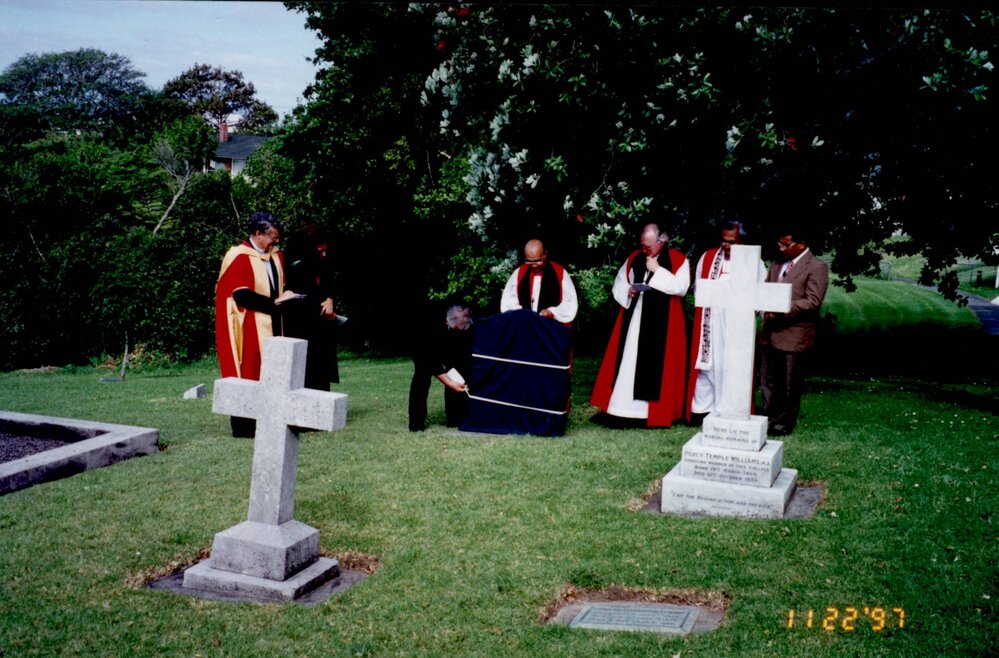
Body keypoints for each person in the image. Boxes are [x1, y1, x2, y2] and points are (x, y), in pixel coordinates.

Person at [591, 223, 690, 427]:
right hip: (635, 319)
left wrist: (658, 270)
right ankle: (622, 409)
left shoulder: (679, 260)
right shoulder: (635, 257)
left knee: (654, 364)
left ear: (662, 242)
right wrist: (628, 290)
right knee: (628, 360)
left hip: (662, 325)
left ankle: (647, 414)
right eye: (643, 245)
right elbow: (620, 281)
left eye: (649, 246)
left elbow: (681, 288)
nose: (645, 250)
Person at [215, 212, 299, 437]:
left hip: (274, 323)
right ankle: (245, 428)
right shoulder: (238, 256)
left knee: (273, 373)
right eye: (273, 236)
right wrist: (274, 303)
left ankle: (270, 420)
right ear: (258, 233)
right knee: (249, 372)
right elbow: (241, 295)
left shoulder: (276, 256)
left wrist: (286, 297)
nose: (276, 240)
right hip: (248, 326)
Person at [686, 220, 766, 420]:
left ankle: (729, 408)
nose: (726, 245)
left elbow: (761, 295)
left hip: (737, 324)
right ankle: (704, 408)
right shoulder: (708, 257)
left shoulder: (753, 262)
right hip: (712, 322)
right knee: (710, 364)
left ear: (742, 242)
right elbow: (699, 289)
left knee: (732, 365)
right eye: (723, 241)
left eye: (732, 242)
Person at [760, 231, 829, 436]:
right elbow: (766, 289)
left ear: (801, 244)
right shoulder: (776, 264)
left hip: (794, 335)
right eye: (779, 244)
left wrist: (782, 307)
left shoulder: (817, 267)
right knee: (768, 381)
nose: (781, 248)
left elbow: (813, 301)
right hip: (769, 332)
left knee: (789, 383)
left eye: (786, 245)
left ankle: (783, 424)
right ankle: (768, 419)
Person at [283, 224, 340, 391]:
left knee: (322, 370)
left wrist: (329, 300)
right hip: (303, 327)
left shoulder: (323, 263)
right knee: (307, 369)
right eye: (320, 251)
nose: (324, 254)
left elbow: (329, 285)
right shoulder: (295, 268)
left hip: (321, 327)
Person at [408, 303, 474, 432]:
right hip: (422, 346)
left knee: (459, 367)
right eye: (456, 329)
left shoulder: (463, 324)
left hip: (449, 343)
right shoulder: (425, 325)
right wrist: (449, 382)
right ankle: (416, 421)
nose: (459, 332)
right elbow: (429, 361)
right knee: (422, 375)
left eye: (462, 330)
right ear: (446, 321)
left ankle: (455, 417)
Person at [499, 239, 578, 324]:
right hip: (525, 326)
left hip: (550, 327)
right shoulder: (519, 273)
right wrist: (523, 313)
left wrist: (551, 312)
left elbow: (569, 304)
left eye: (537, 261)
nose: (533, 265)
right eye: (529, 261)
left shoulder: (560, 273)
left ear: (545, 254)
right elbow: (508, 303)